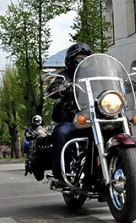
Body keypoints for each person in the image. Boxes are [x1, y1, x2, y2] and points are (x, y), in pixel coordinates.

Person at [48, 42, 93, 181]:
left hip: (96, 117)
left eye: (86, 58)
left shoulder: (95, 75)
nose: (83, 61)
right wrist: (57, 88)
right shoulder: (65, 75)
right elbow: (55, 85)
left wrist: (124, 83)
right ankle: (62, 173)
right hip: (74, 119)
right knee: (61, 132)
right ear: (70, 61)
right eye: (79, 58)